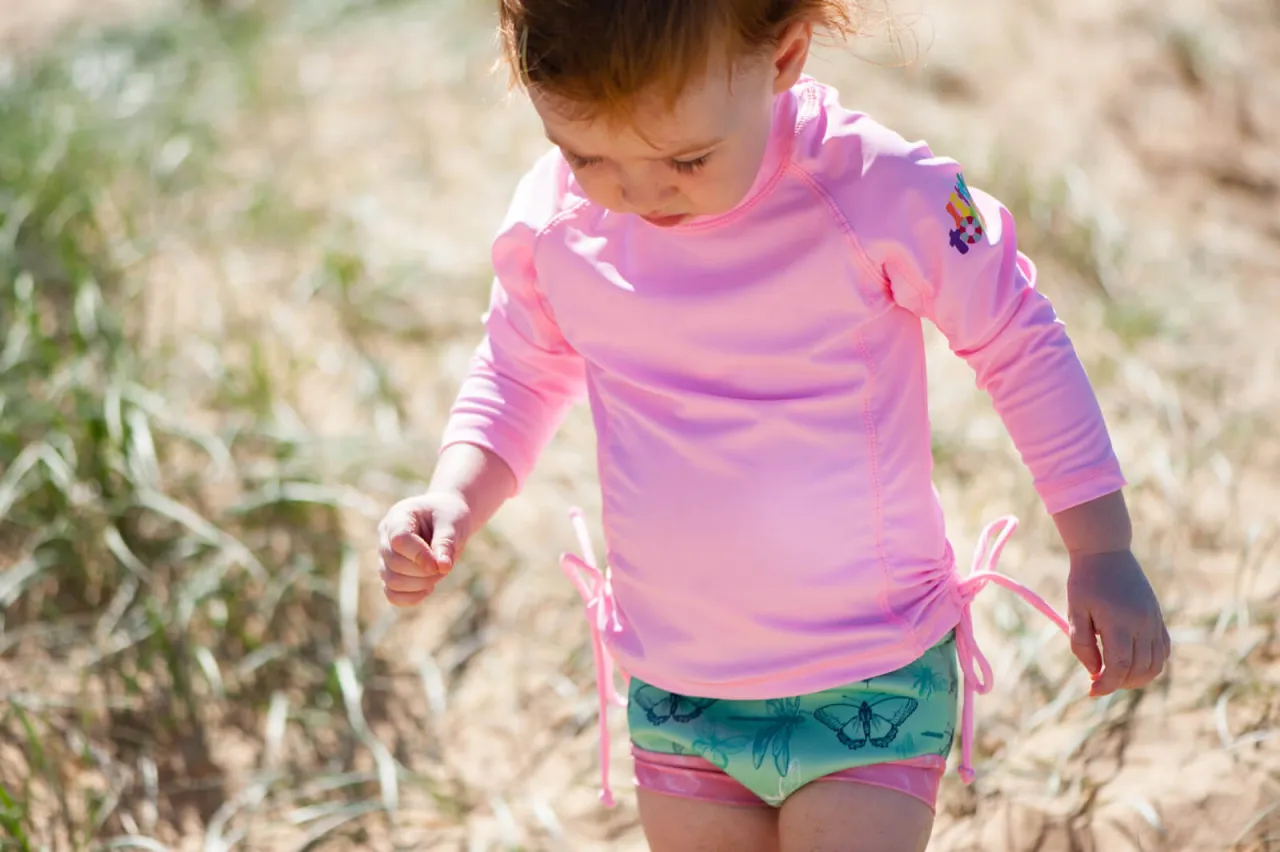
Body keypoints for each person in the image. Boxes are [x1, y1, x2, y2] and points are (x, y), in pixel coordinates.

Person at [376, 1, 1171, 849]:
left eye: (685, 158)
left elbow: (1018, 339)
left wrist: (1100, 547)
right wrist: (456, 489)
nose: (638, 195)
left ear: (783, 56)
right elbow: (519, 370)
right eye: (586, 153)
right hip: (678, 685)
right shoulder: (557, 223)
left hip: (871, 670)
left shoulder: (882, 189)